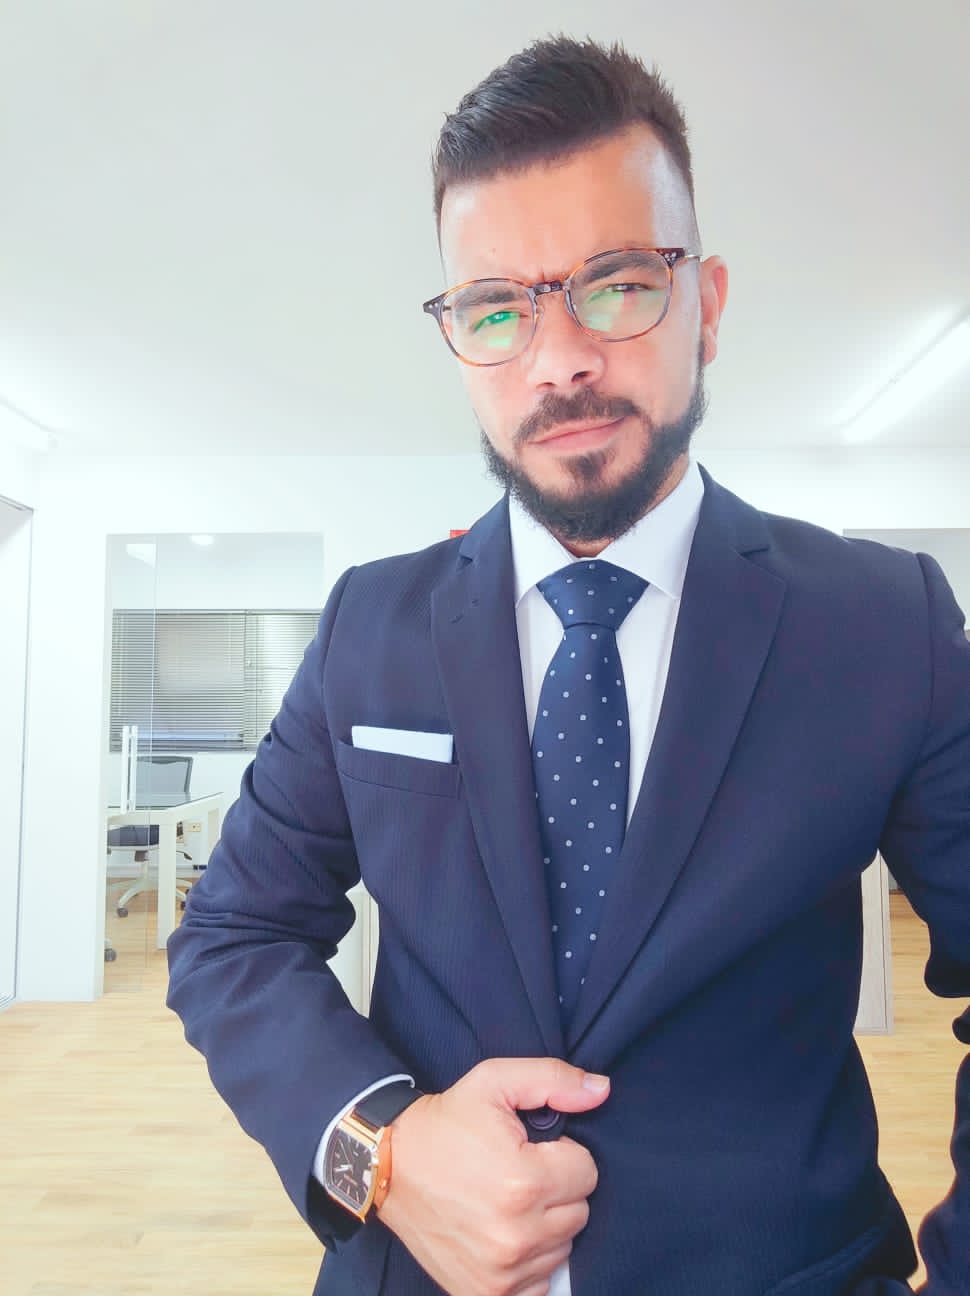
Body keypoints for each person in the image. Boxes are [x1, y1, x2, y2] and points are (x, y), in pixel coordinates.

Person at [167, 36, 970, 1296]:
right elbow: (234, 932)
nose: (558, 360)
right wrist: (380, 1146)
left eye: (616, 283)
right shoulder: (373, 624)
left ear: (705, 303)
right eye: (497, 308)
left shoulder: (884, 624)